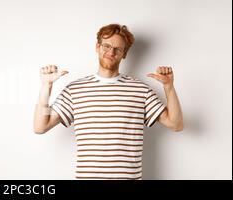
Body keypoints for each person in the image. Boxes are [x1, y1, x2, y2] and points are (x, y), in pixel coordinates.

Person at [33, 24, 184, 180]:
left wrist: (169, 87)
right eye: (106, 46)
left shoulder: (140, 90)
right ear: (97, 47)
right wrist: (46, 86)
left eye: (118, 49)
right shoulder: (75, 90)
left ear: (124, 53)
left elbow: (176, 124)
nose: (111, 52)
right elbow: (40, 127)